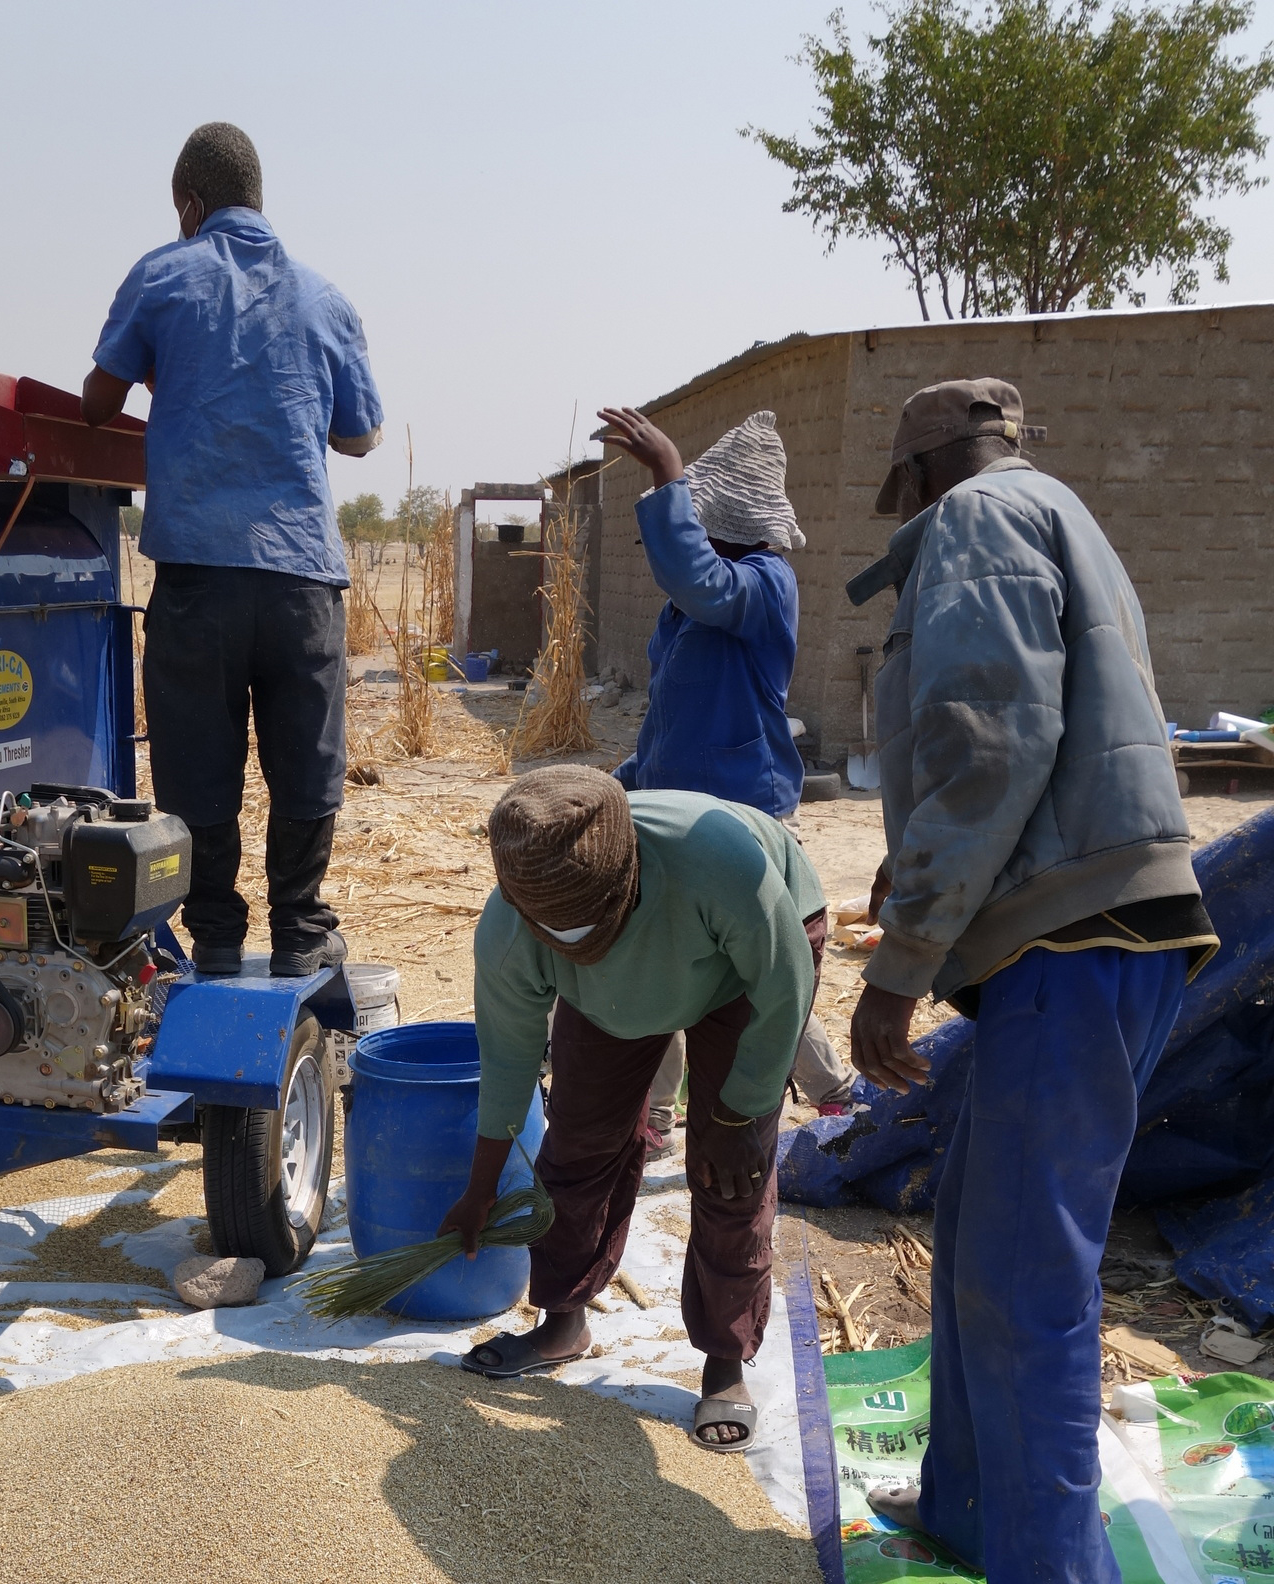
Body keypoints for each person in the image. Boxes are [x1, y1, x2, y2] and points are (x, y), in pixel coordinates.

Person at [846, 379, 1218, 1581]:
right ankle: (967, 1508)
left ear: (926, 473)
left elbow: (991, 741)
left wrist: (896, 969)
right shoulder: (1057, 509)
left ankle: (1049, 1565)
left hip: (1080, 940)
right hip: (1095, 933)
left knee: (1025, 1278)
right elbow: (1034, 742)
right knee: (980, 1235)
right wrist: (917, 872)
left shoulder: (977, 521)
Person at [439, 766, 827, 1452]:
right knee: (578, 1143)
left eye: (593, 927)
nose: (580, 943)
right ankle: (563, 1322)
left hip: (747, 970)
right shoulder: (512, 928)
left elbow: (785, 982)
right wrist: (479, 1188)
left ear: (630, 880)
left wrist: (742, 1113)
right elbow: (507, 1061)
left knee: (727, 1170)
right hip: (609, 1002)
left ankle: (724, 1361)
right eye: (561, 935)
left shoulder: (721, 863)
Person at [82, 121, 383, 977]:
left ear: (189, 203)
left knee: (194, 755)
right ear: (258, 198)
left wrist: (164, 370)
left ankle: (214, 935)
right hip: (302, 580)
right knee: (306, 758)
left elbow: (97, 402)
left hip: (198, 577)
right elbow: (360, 438)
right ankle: (300, 931)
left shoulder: (162, 275)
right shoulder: (326, 300)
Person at [595, 406, 854, 1144]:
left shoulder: (763, 584)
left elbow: (698, 577)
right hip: (675, 817)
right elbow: (674, 724)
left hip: (745, 824)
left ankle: (832, 1092)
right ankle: (654, 1114)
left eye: (693, 516)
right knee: (666, 967)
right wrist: (622, 786)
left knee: (765, 975)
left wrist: (666, 469)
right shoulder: (685, 613)